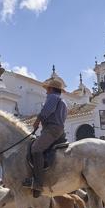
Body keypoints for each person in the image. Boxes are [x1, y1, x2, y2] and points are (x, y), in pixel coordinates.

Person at [23, 66, 67, 198]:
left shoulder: (53, 97)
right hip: (57, 129)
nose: (46, 91)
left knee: (36, 149)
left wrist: (37, 121)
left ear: (52, 89)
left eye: (47, 88)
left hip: (52, 129)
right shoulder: (63, 101)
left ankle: (38, 182)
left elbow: (46, 111)